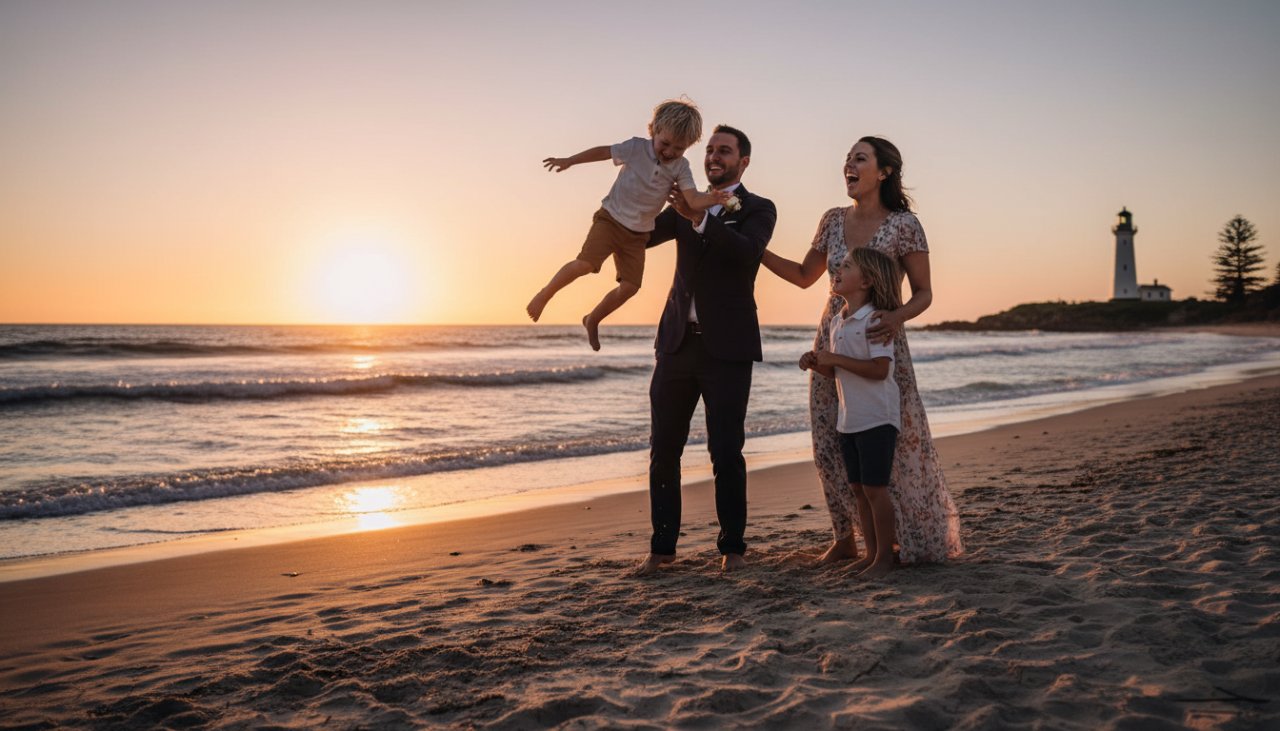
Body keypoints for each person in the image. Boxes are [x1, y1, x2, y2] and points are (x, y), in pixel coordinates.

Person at [761, 136, 963, 566]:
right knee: (830, 440)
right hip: (831, 338)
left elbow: (925, 292)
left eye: (859, 158)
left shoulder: (905, 224)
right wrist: (754, 250)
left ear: (884, 172)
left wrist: (898, 316)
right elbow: (802, 276)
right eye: (846, 158)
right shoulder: (832, 220)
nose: (847, 165)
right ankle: (845, 537)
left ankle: (896, 543)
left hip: (881, 338)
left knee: (894, 443)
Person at [633, 124, 777, 575]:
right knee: (663, 451)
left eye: (725, 151)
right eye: (710, 150)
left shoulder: (758, 209)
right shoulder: (684, 202)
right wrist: (637, 190)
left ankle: (732, 548)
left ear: (743, 161)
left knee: (726, 450)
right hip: (676, 344)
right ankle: (662, 550)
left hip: (728, 349)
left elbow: (744, 253)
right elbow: (641, 233)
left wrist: (700, 217)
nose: (715, 157)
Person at [526, 99, 729, 350]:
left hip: (639, 234)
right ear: (653, 131)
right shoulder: (635, 148)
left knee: (630, 287)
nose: (669, 152)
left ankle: (593, 319)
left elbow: (692, 198)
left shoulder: (681, 167)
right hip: (610, 219)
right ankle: (546, 294)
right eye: (665, 144)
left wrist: (712, 198)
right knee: (585, 264)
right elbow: (603, 152)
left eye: (678, 148)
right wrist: (570, 160)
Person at [799, 248, 903, 580]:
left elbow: (879, 370)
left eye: (846, 266)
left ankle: (885, 557)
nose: (837, 270)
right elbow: (839, 372)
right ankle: (871, 554)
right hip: (849, 419)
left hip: (877, 417)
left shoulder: (874, 320)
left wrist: (836, 360)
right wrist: (818, 363)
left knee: (875, 489)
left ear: (867, 280)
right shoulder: (838, 321)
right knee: (858, 488)